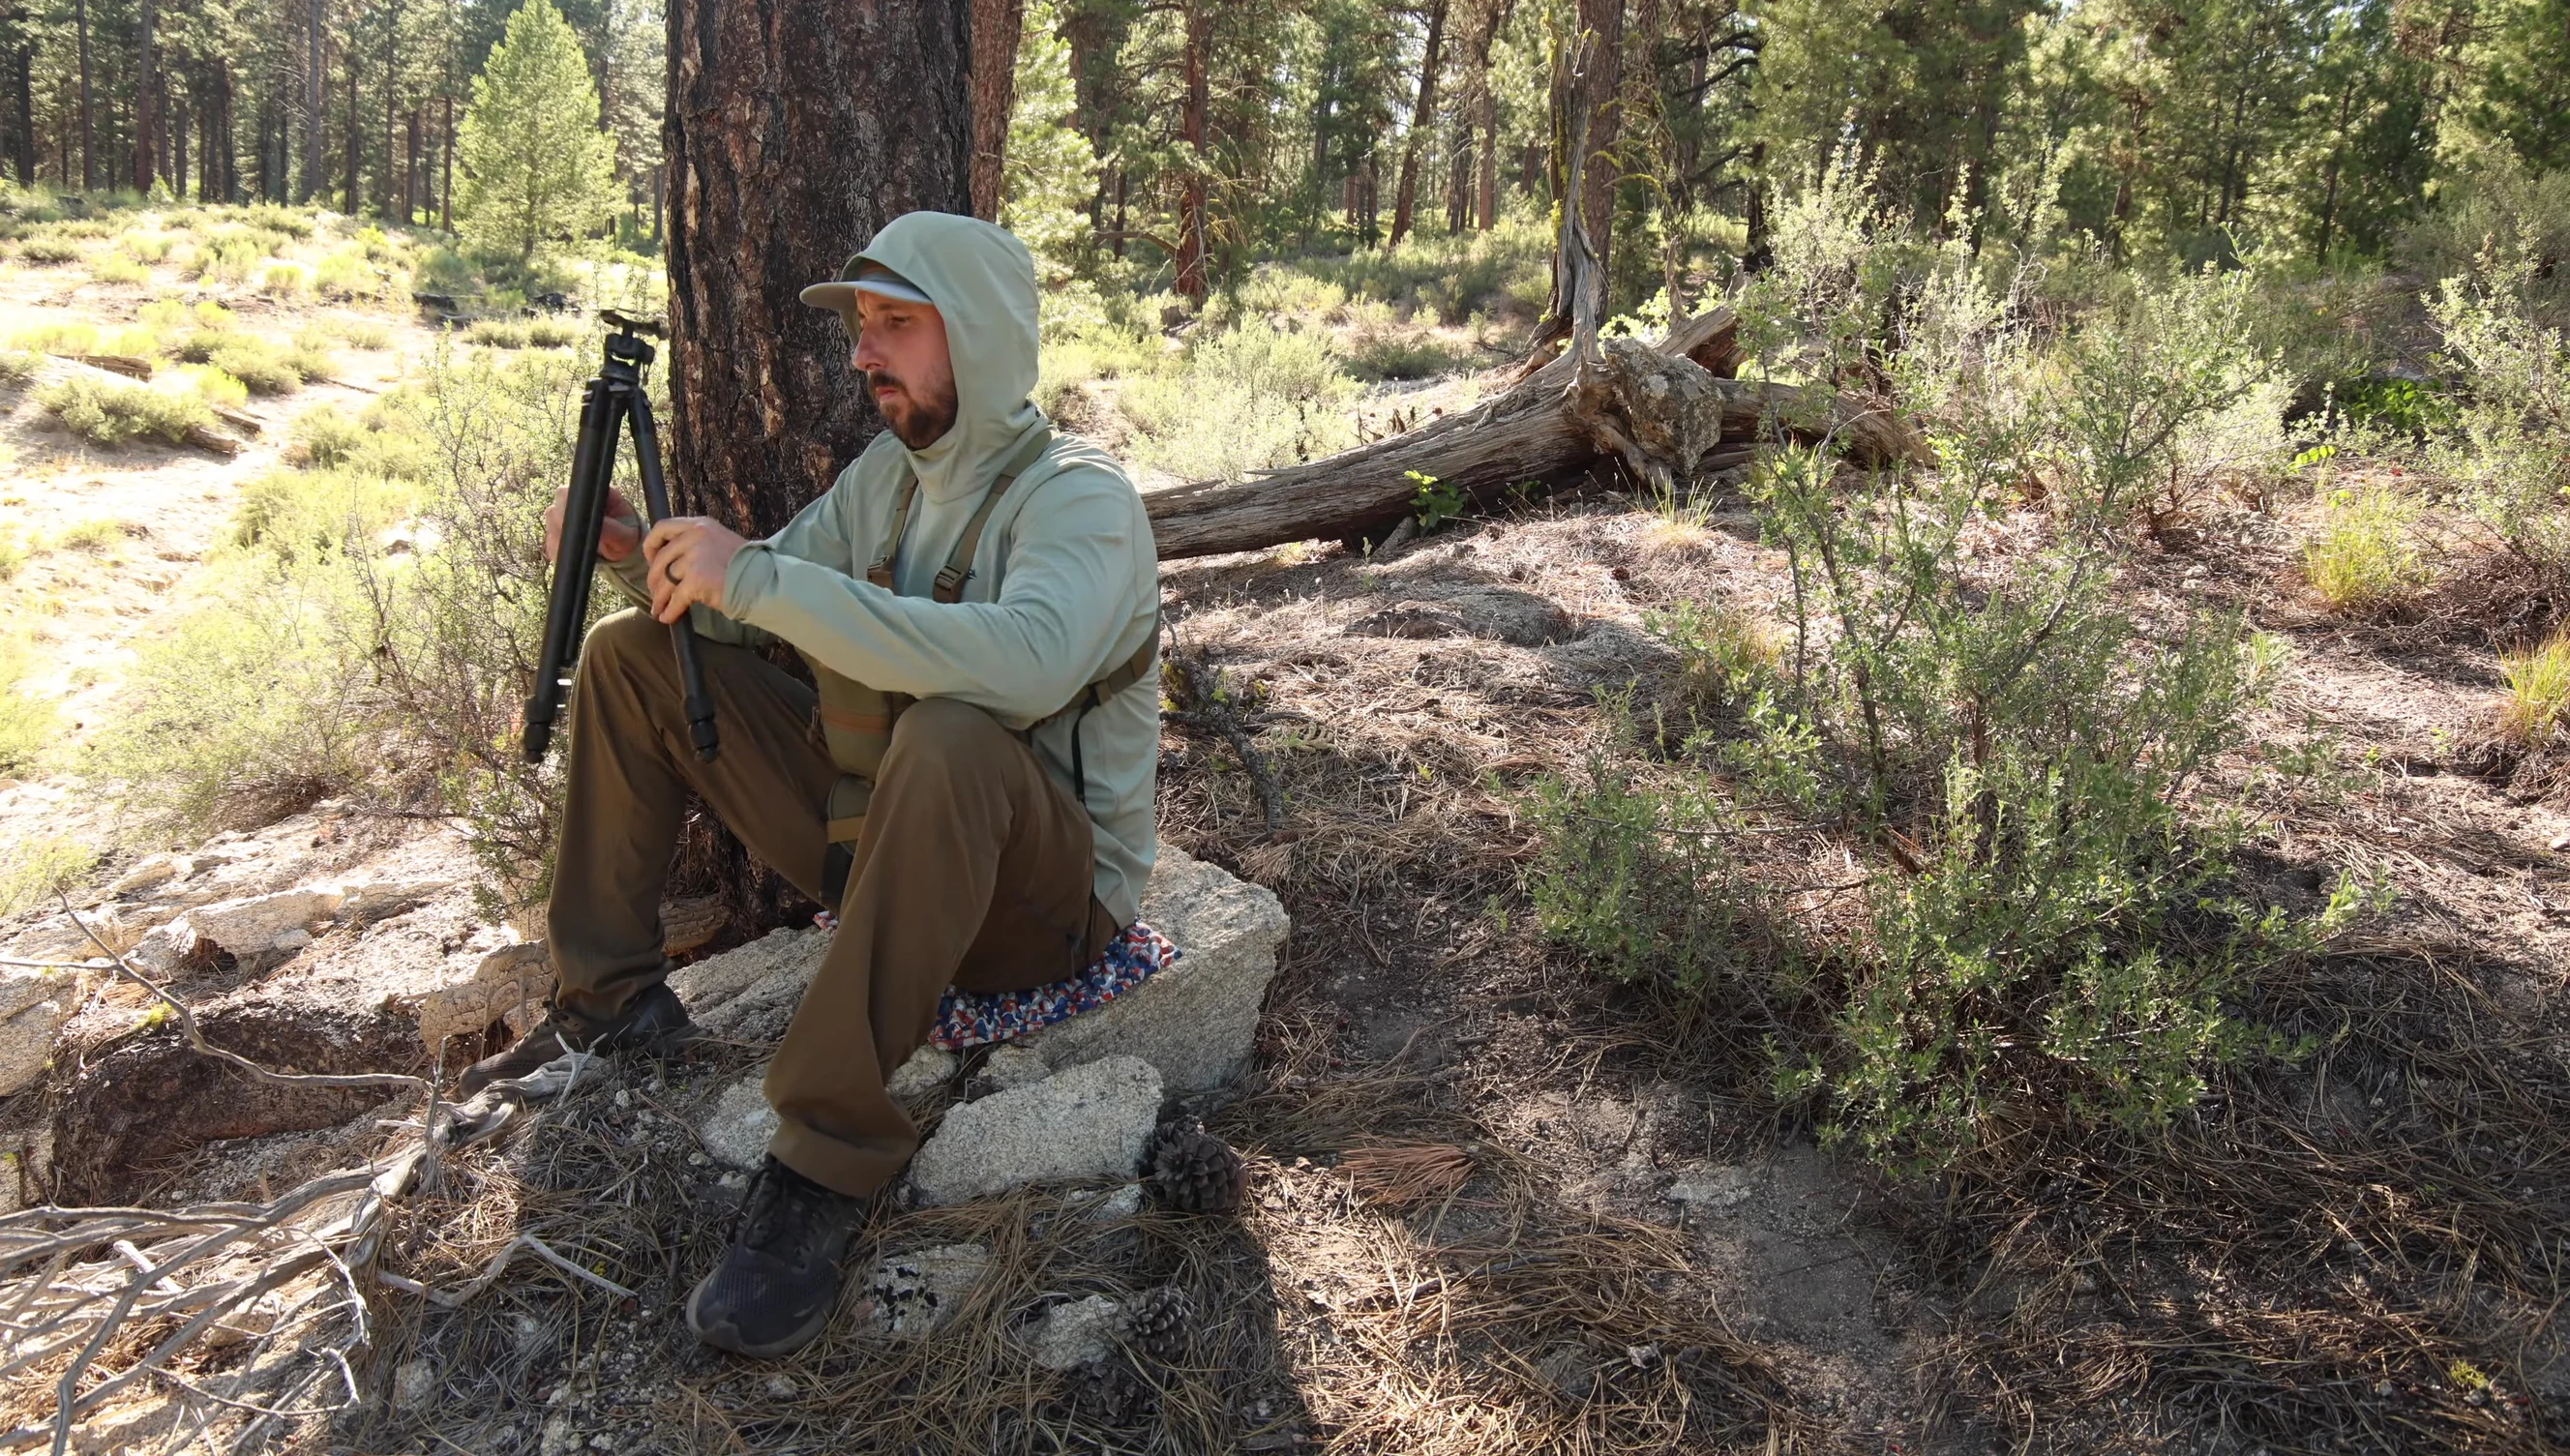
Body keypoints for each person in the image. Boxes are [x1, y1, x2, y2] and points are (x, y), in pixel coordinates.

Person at [461, 211, 1161, 1358]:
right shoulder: (888, 478)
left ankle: (825, 1158)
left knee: (949, 731)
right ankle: (609, 998)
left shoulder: (1079, 497)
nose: (862, 352)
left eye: (896, 324)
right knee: (635, 656)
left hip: (1043, 907)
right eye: (860, 326)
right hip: (883, 843)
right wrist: (645, 559)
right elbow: (757, 603)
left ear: (979, 334)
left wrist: (764, 580)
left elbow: (1031, 663)